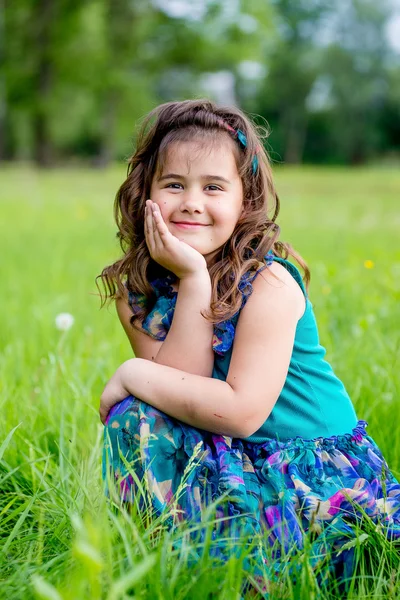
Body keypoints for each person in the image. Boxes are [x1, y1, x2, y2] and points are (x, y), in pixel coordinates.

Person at [97, 99, 400, 592]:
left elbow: (240, 413)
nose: (192, 202)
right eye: (174, 185)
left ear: (245, 200)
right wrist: (194, 279)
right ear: (144, 193)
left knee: (339, 561)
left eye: (213, 187)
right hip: (231, 455)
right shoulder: (141, 294)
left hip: (306, 467)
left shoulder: (269, 285)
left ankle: (251, 564)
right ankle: (181, 563)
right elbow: (177, 398)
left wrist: (133, 372)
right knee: (137, 415)